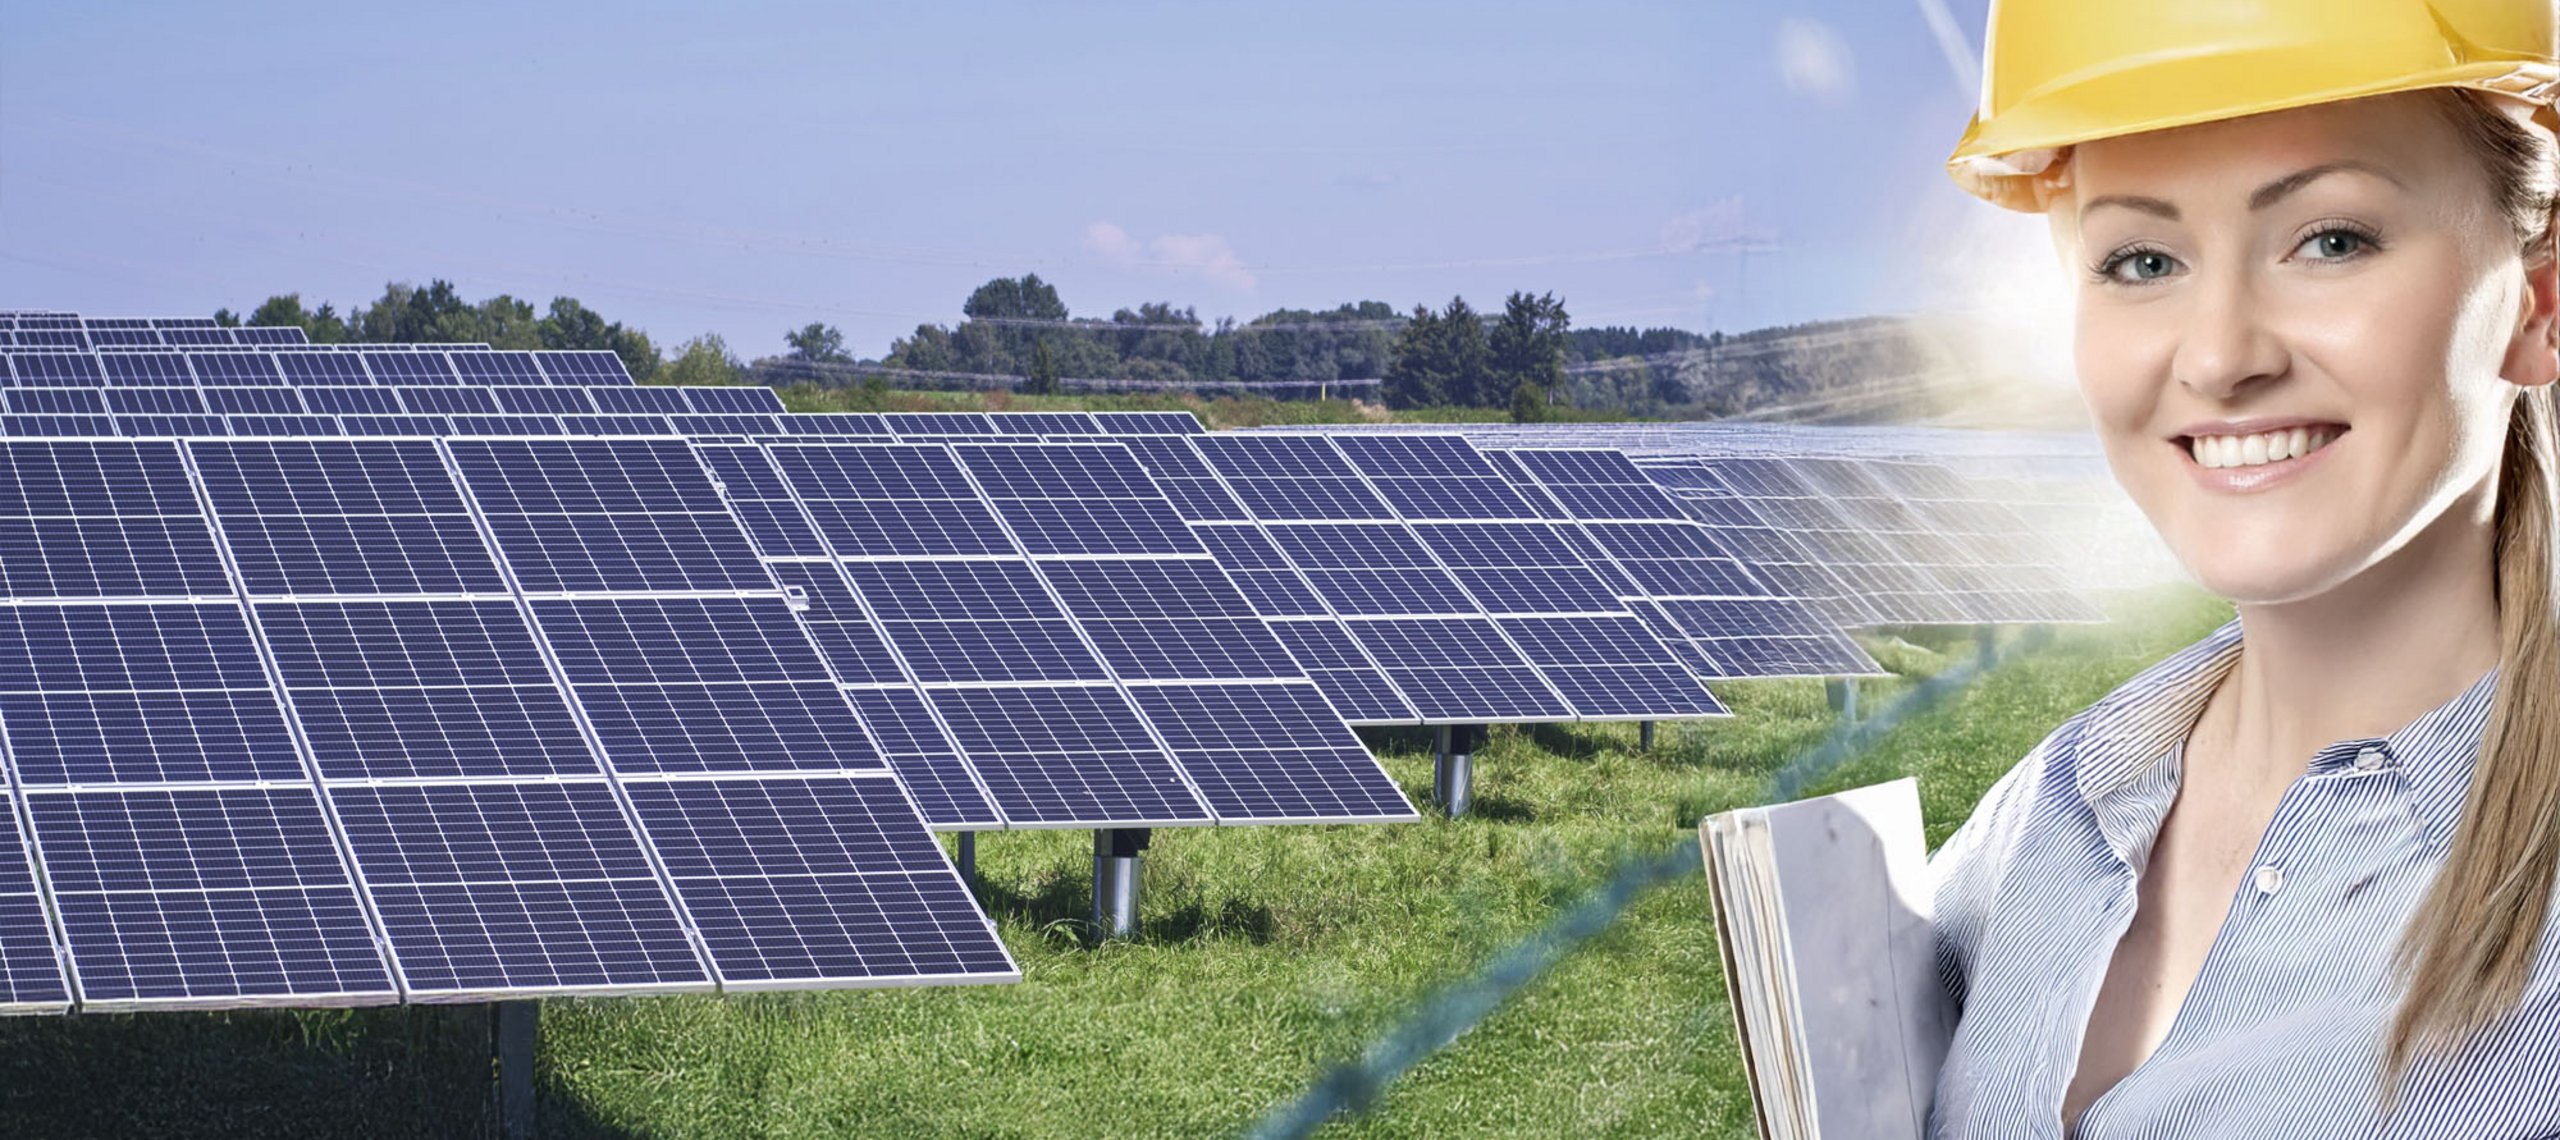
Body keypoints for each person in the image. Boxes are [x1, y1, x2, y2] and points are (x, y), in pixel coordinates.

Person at [1925, 2, 2560, 1136]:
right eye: (2141, 259)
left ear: (2538, 303)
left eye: (2330, 240)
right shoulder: (2039, 828)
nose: (2219, 358)